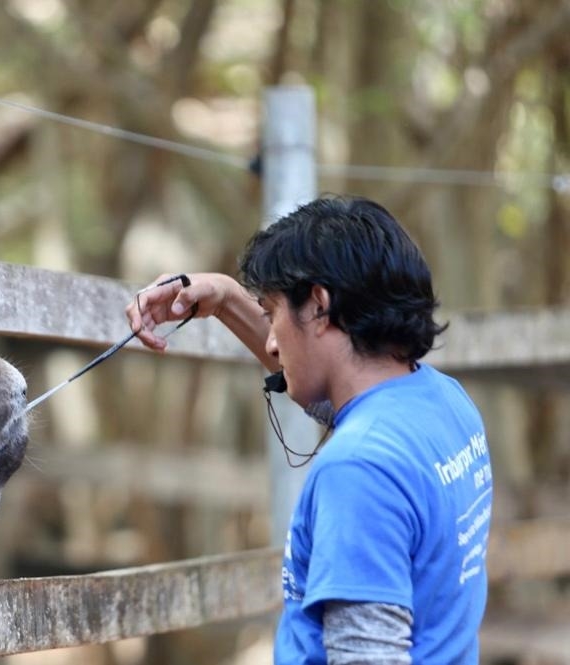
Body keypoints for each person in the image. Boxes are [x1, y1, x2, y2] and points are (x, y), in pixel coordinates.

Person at [126, 196, 492, 663]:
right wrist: (225, 298)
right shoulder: (443, 401)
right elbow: (331, 393)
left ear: (320, 305)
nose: (271, 342)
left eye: (272, 313)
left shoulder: (358, 469)